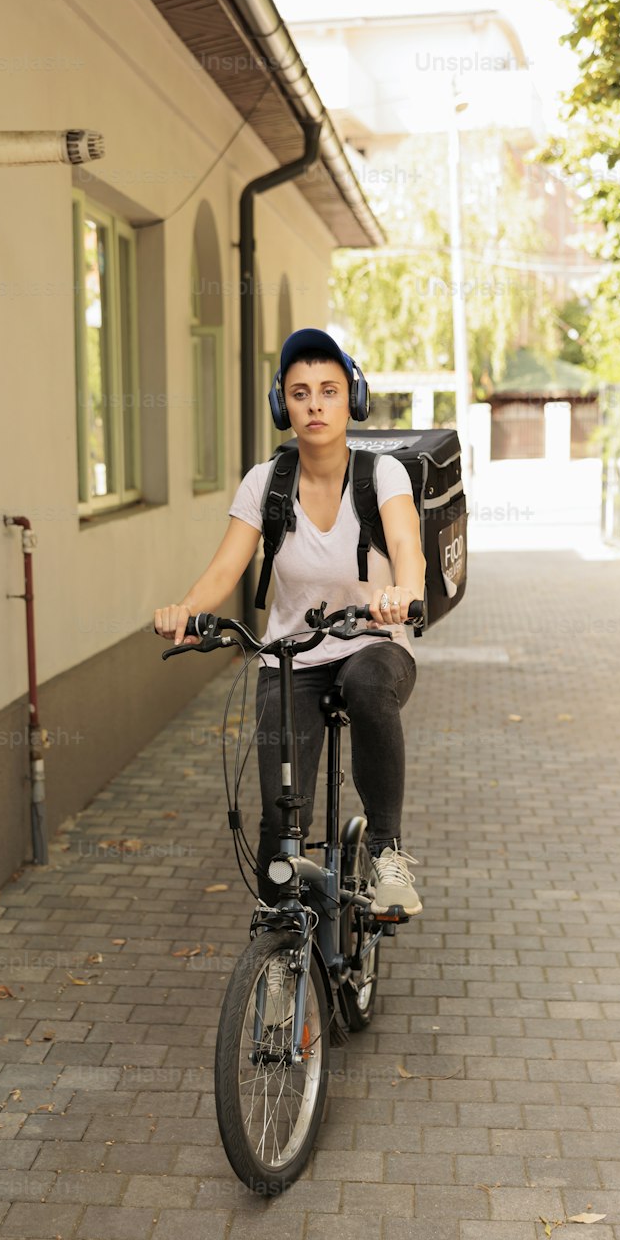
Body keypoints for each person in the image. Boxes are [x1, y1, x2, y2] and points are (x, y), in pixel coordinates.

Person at [154, 327, 426, 914]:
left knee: (367, 684)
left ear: (351, 399)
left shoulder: (383, 476)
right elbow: (225, 568)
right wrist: (188, 610)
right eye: (300, 392)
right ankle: (283, 954)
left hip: (372, 643)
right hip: (291, 655)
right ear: (283, 404)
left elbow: (408, 545)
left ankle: (386, 853)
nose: (315, 404)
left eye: (329, 390)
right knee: (280, 825)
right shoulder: (265, 482)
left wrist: (403, 592)